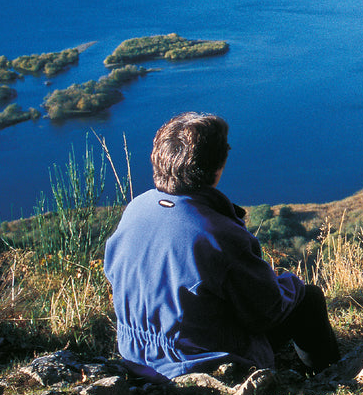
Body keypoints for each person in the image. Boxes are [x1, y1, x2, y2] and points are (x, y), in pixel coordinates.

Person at [104, 111, 339, 381]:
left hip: (137, 353)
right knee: (308, 299)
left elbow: (115, 273)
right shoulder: (217, 233)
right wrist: (290, 284)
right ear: (218, 166)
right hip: (200, 363)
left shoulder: (136, 208)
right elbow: (268, 312)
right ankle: (328, 379)